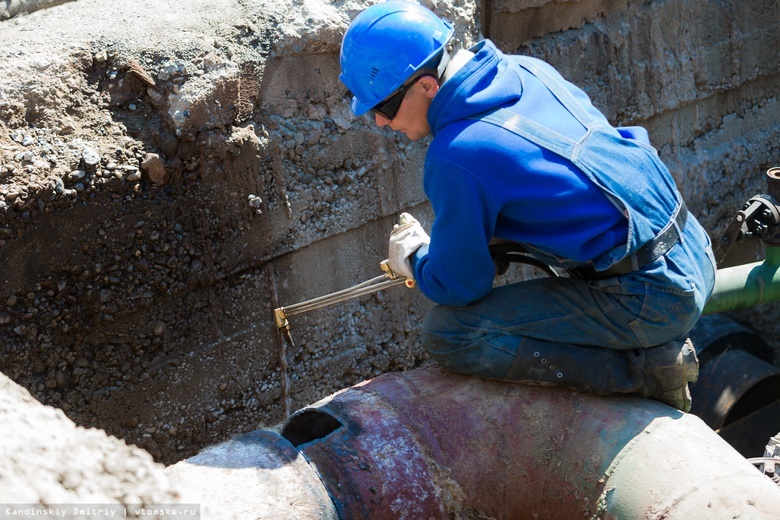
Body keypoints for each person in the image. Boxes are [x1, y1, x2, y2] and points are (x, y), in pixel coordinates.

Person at [338, 0, 717, 412]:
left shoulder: (455, 155)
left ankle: (644, 371)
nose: (380, 121)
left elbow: (460, 286)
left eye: (384, 106)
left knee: (450, 333)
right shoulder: (524, 70)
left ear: (427, 85)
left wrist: (416, 258)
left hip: (651, 301)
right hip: (694, 248)